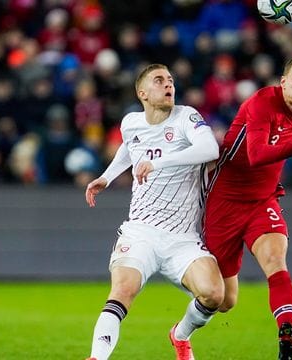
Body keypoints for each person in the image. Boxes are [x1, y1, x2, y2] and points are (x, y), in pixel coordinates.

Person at [84, 63, 224, 360]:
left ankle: (180, 335)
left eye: (171, 80)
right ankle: (96, 358)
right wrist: (106, 177)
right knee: (122, 291)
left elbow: (210, 150)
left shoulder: (187, 117)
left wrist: (159, 164)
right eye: (159, 80)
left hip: (184, 237)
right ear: (142, 93)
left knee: (215, 295)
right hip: (141, 231)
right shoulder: (131, 122)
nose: (168, 84)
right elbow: (130, 147)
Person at [204, 57, 292, 360]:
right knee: (224, 300)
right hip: (225, 202)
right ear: (283, 81)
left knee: (276, 261)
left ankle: (286, 332)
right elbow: (257, 154)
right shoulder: (263, 102)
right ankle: (180, 333)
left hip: (263, 201)